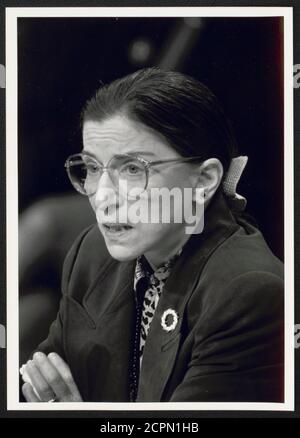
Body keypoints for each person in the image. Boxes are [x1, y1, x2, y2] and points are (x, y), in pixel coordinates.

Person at [20, 68, 284, 403]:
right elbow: (39, 388)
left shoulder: (249, 292)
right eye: (92, 168)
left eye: (132, 169)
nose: (102, 197)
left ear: (203, 181)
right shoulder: (90, 252)